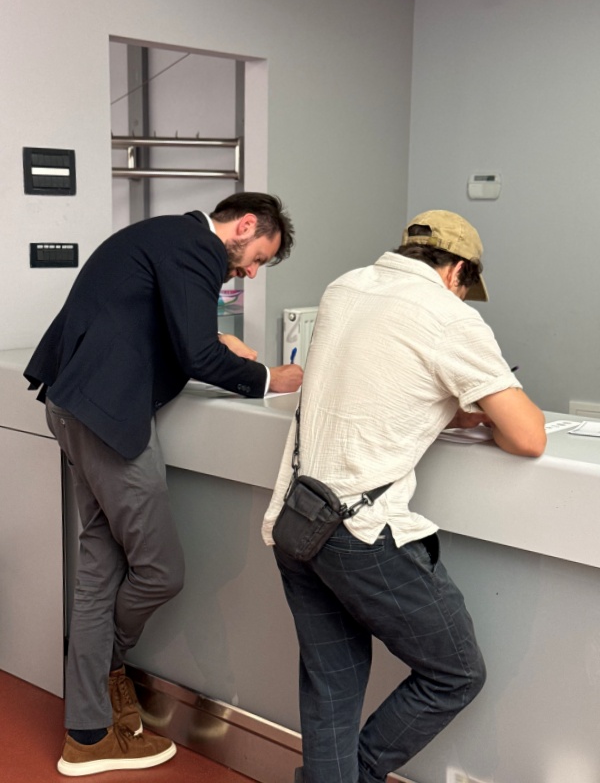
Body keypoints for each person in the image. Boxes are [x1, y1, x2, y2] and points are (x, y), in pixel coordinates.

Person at [24, 192, 303, 777]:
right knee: (160, 570)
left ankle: (87, 732)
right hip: (108, 418)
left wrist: (220, 344)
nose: (252, 272)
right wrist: (267, 379)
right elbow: (195, 353)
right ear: (244, 226)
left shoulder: (166, 236)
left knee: (100, 565)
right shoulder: (197, 248)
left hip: (76, 405)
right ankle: (105, 674)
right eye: (258, 257)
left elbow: (161, 327)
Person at [262, 210, 546, 783]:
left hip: (297, 518)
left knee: (332, 686)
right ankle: (363, 775)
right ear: (458, 270)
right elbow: (529, 436)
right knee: (456, 672)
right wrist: (481, 411)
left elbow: (377, 383)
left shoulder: (344, 287)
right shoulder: (449, 315)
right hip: (360, 532)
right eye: (465, 286)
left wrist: (447, 407)